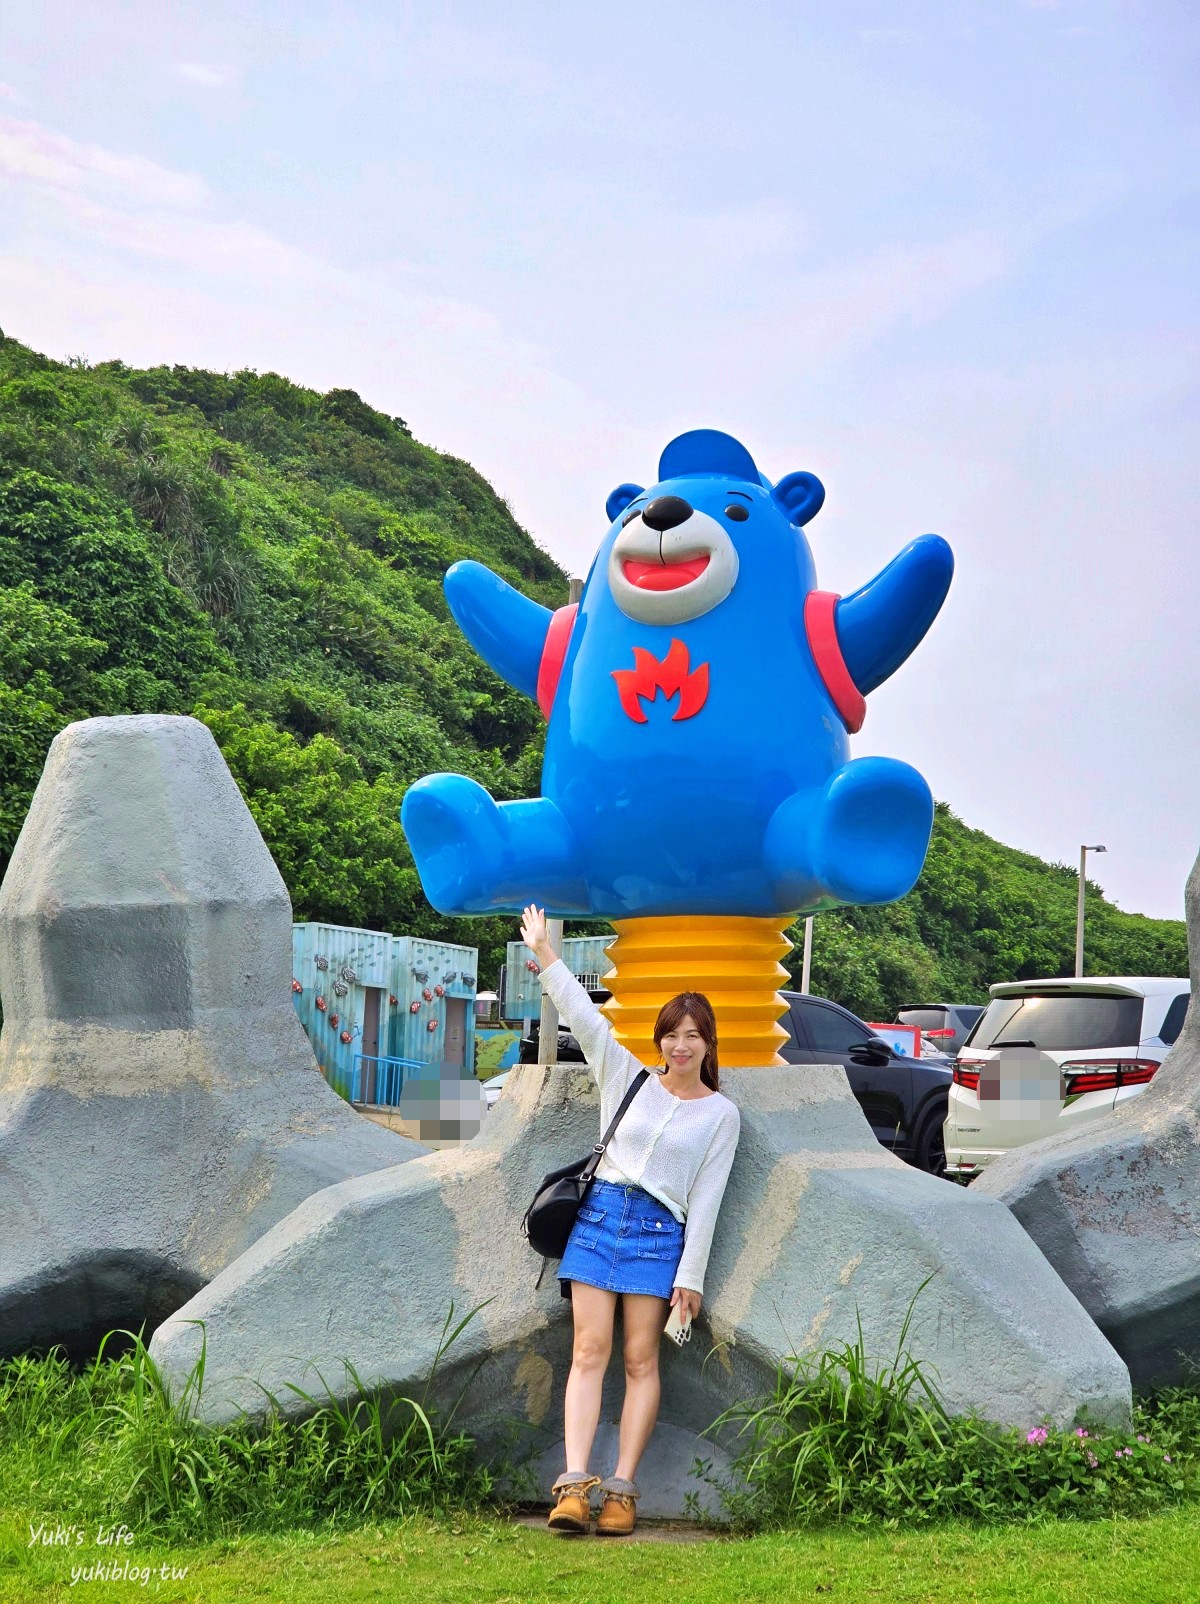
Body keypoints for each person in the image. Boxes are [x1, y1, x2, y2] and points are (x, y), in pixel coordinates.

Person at [520, 905, 741, 1538]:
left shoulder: (722, 1116)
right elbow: (585, 1017)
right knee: (588, 1351)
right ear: (660, 1039)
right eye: (672, 1033)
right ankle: (573, 1487)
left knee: (642, 1358)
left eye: (693, 1035)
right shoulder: (627, 1076)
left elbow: (708, 1198)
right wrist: (543, 951)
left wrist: (690, 1276)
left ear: (708, 1043)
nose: (680, 1045)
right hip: (597, 1221)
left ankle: (621, 1491)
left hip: (656, 1235)